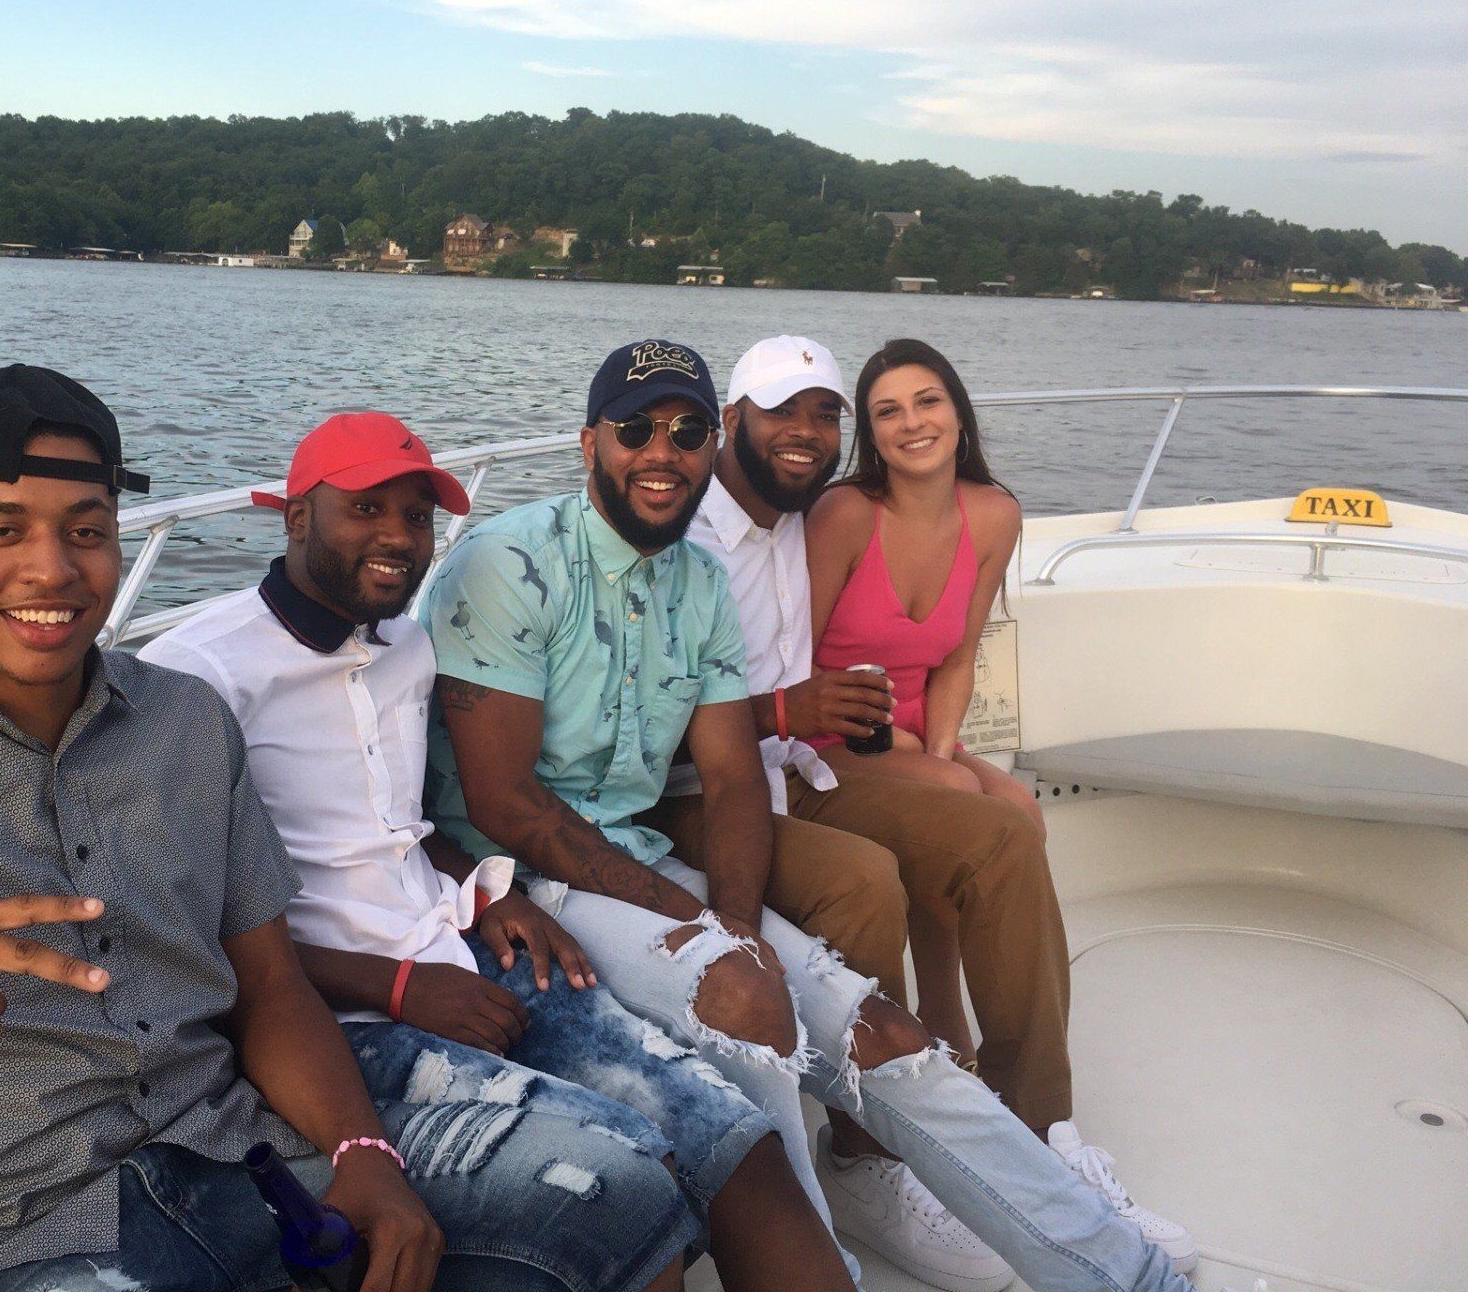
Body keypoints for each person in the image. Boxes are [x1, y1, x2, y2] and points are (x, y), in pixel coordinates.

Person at [0, 366, 691, 1292]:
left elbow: (273, 987)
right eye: (1, 529)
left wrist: (361, 1151)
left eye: (86, 529)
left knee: (629, 1193)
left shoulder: (187, 725)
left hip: (243, 1165)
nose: (52, 569)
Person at [417, 339, 1205, 1292]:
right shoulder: (511, 564)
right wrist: (698, 926)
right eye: (637, 429)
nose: (662, 451)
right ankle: (818, 1265)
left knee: (888, 1038)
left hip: (643, 854)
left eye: (687, 431)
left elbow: (734, 775)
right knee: (748, 1003)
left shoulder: (698, 583)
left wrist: (741, 923)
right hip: (526, 878)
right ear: (590, 443)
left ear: (714, 445)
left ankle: (1123, 1273)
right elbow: (507, 804)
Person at [143, 410, 870, 1292]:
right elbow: (186, 936)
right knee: (636, 1175)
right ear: (298, 517)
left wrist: (491, 896)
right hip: (338, 1015)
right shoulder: (197, 678)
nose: (399, 538)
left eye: (417, 518)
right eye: (367, 509)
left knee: (728, 1137)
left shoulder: (405, 648)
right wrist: (401, 987)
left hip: (465, 950)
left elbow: (403, 826)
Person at [678, 335, 1194, 1278]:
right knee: (870, 877)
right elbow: (645, 716)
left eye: (822, 415)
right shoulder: (683, 530)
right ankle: (870, 1153)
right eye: (782, 412)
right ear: (731, 421)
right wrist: (789, 710)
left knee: (1003, 829)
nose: (804, 434)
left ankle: (1041, 1132)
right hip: (718, 783)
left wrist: (888, 738)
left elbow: (920, 635)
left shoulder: (806, 511)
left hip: (804, 767)